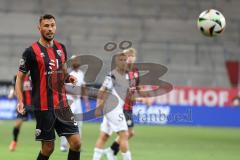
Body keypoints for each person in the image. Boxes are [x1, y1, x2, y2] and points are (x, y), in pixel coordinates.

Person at [15, 14, 81, 160]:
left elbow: (62, 71)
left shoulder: (61, 48)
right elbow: (19, 78)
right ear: (39, 28)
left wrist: (68, 77)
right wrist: (20, 101)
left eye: (52, 25)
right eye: (46, 26)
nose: (50, 29)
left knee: (76, 143)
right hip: (43, 106)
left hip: (62, 105)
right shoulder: (30, 52)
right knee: (48, 148)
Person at [92, 53, 132, 160]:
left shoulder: (126, 75)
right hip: (113, 109)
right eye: (121, 60)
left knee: (104, 136)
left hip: (113, 109)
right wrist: (98, 106)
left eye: (125, 59)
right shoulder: (112, 75)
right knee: (124, 135)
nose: (124, 62)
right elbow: (102, 90)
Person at [105, 48, 140, 159]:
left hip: (129, 105)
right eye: (127, 56)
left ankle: (111, 150)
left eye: (131, 56)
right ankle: (113, 151)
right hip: (122, 106)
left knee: (128, 133)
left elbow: (136, 86)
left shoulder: (135, 71)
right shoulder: (122, 71)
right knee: (126, 133)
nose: (130, 58)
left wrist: (140, 95)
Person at [60, 55, 91, 152]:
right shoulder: (69, 73)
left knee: (79, 123)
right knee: (68, 122)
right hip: (69, 99)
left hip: (77, 101)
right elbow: (63, 87)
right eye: (74, 60)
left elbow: (83, 88)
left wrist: (86, 103)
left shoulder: (81, 73)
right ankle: (63, 145)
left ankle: (77, 144)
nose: (76, 62)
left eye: (77, 60)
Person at [9, 73, 33, 151]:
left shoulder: (34, 74)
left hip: (35, 104)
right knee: (17, 124)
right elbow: (14, 88)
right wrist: (11, 94)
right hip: (23, 105)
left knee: (43, 124)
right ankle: (14, 141)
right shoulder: (17, 76)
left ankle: (45, 142)